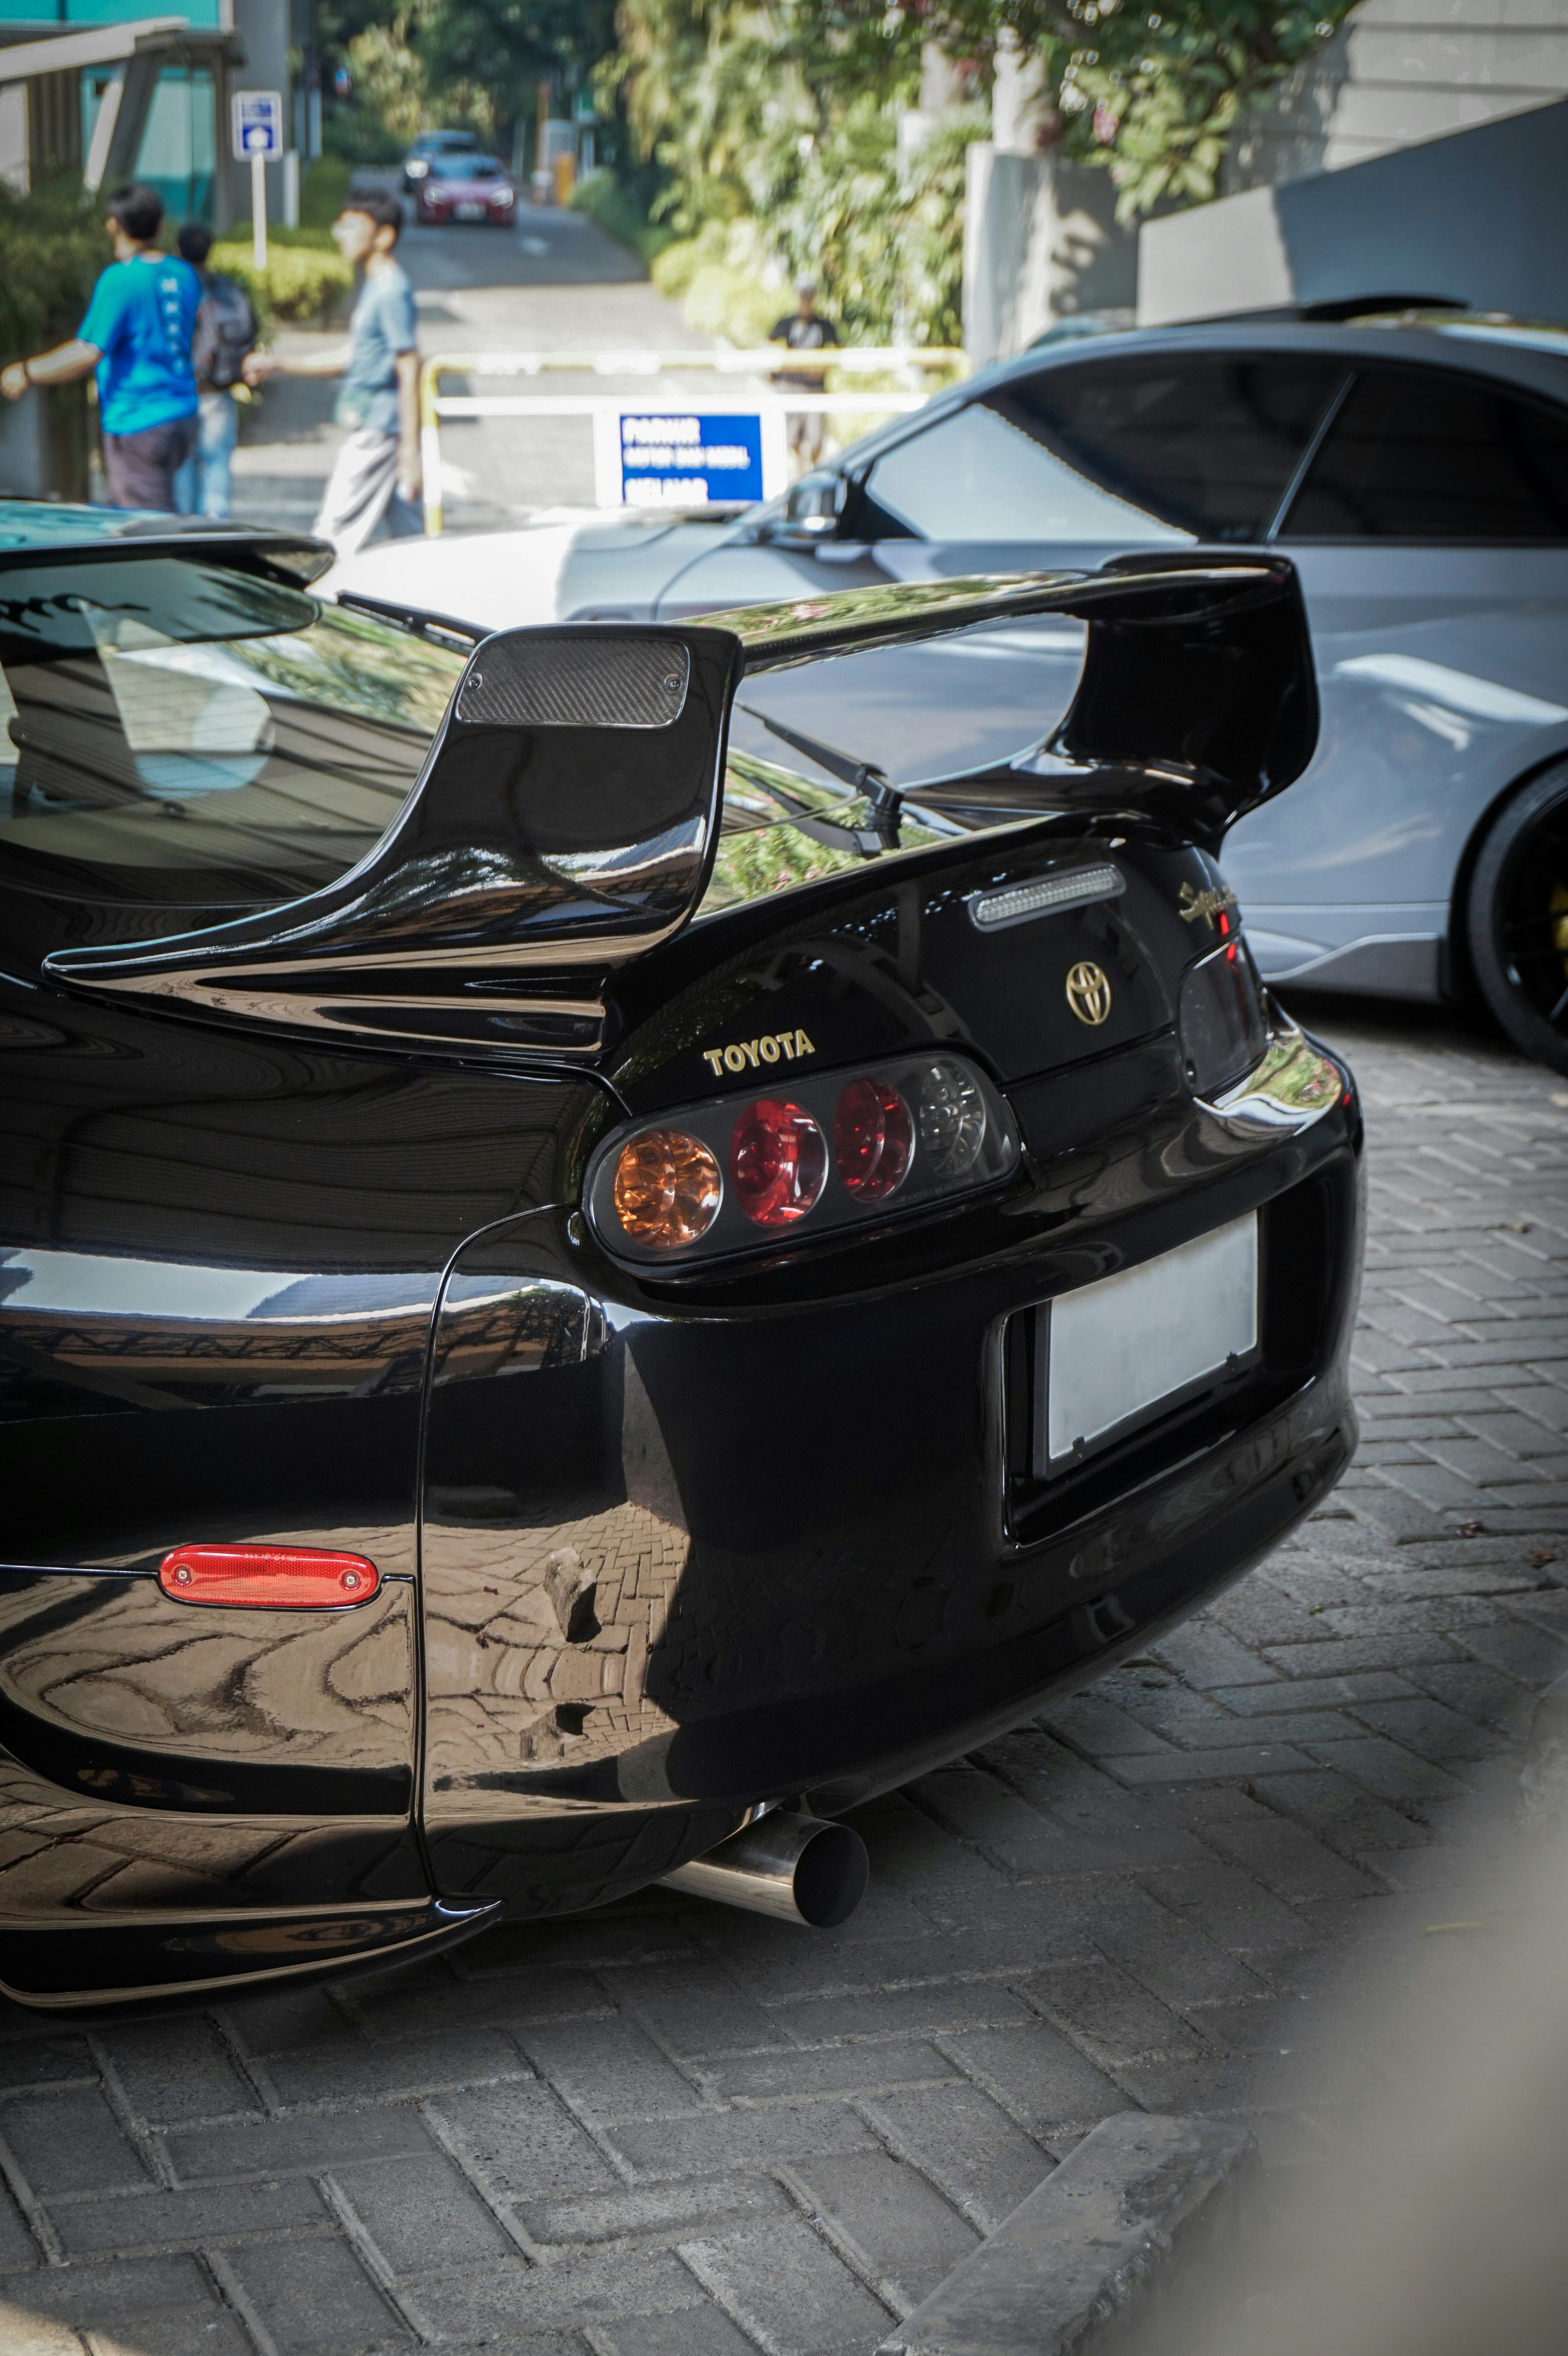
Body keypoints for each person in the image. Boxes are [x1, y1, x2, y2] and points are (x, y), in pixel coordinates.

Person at [0, 182, 199, 511]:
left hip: (139, 419)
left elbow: (88, 351)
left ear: (113, 225)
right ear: (160, 227)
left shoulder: (120, 280)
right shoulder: (184, 274)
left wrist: (27, 372)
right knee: (150, 512)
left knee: (145, 532)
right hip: (182, 414)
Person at [243, 187, 421, 555]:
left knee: (333, 536)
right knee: (410, 540)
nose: (341, 236)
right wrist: (280, 363)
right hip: (375, 423)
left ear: (384, 236)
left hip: (378, 429)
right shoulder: (377, 284)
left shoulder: (390, 290)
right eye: (341, 227)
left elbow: (409, 366)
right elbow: (351, 357)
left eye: (352, 228)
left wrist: (410, 451)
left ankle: (321, 605)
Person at [172, 222, 257, 522]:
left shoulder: (174, 290)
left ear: (178, 251)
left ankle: (184, 528)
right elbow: (250, 333)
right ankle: (215, 524)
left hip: (181, 392)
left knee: (183, 464)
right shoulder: (228, 290)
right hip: (219, 390)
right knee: (218, 460)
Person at [768, 276, 841, 474]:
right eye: (803, 294)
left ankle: (812, 470)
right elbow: (770, 344)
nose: (806, 299)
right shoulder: (786, 323)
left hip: (815, 388)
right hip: (791, 386)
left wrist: (822, 367)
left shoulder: (824, 326)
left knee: (816, 440)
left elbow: (838, 350)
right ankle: (802, 472)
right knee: (792, 438)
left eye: (810, 294)